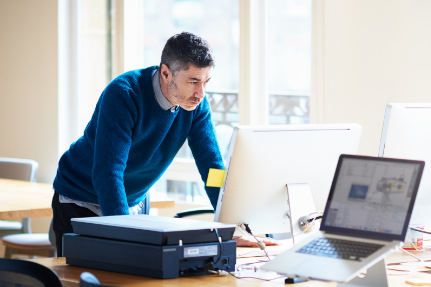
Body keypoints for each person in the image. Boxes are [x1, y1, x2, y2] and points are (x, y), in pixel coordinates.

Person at [51, 32, 276, 256]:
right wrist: (125, 234)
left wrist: (234, 226)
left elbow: (212, 170)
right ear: (166, 73)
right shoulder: (123, 94)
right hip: (81, 199)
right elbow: (109, 174)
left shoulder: (196, 106)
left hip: (132, 202)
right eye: (193, 82)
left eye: (206, 82)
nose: (200, 93)